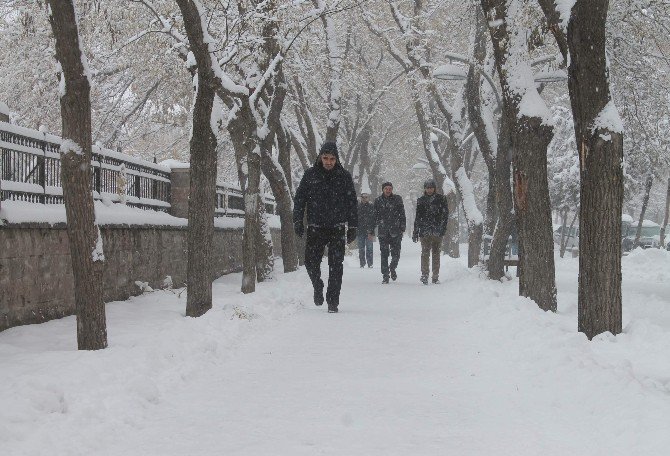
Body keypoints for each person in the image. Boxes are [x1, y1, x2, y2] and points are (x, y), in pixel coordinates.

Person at [293, 141, 358, 313]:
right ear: (320, 157)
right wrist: (297, 221)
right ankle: (317, 284)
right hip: (316, 226)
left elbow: (352, 203)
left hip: (337, 227)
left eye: (332, 158)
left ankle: (333, 300)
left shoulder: (344, 177)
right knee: (310, 262)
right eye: (325, 158)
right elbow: (300, 200)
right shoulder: (310, 175)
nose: (328, 162)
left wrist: (353, 226)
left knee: (336, 265)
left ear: (336, 159)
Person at [412, 179, 449, 284]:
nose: (429, 190)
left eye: (431, 188)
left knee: (436, 254)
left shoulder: (441, 199)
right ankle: (424, 275)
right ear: (425, 188)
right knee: (425, 253)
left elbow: (445, 215)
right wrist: (416, 231)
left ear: (434, 188)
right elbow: (418, 217)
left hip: (437, 231)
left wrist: (443, 228)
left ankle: (435, 276)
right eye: (427, 188)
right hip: (424, 231)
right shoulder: (421, 200)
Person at [370, 182, 405, 284]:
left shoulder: (398, 199)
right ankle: (385, 275)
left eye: (390, 188)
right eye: (386, 189)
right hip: (383, 231)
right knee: (384, 254)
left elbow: (402, 214)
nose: (388, 190)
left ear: (392, 189)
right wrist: (371, 229)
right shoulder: (378, 201)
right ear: (383, 189)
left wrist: (402, 226)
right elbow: (374, 216)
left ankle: (392, 267)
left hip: (396, 230)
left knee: (396, 254)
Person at [357, 192, 375, 268]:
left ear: (368, 198)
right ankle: (362, 263)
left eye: (366, 197)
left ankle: (370, 263)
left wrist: (371, 231)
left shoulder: (371, 207)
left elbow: (373, 220)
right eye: (363, 197)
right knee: (361, 249)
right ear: (361, 198)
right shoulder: (358, 207)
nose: (364, 199)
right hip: (360, 231)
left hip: (369, 231)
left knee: (369, 248)